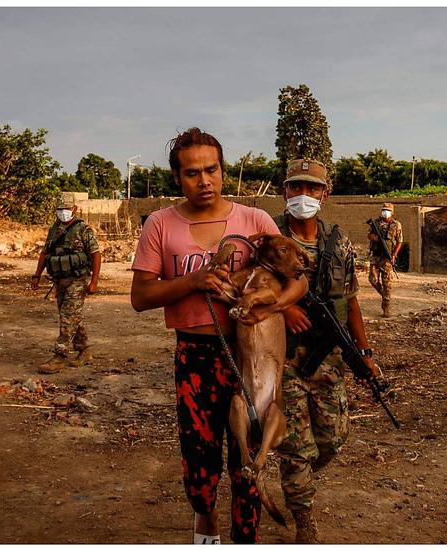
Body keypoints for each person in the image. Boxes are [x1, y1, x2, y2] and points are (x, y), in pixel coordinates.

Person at [129, 128, 307, 544]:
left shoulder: (254, 220)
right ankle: (205, 521)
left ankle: (245, 539)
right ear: (177, 177)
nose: (204, 180)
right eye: (192, 173)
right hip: (196, 357)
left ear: (223, 171)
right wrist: (194, 281)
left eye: (212, 170)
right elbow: (140, 297)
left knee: (247, 462)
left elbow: (298, 279)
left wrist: (274, 305)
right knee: (200, 461)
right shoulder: (160, 224)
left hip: (252, 359)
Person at [273, 159, 379, 543]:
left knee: (333, 439)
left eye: (312, 188)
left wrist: (365, 352)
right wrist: (283, 307)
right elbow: (247, 287)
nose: (304, 195)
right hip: (284, 358)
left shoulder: (339, 242)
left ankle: (295, 477)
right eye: (296, 187)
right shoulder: (270, 236)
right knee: (296, 447)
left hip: (330, 358)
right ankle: (303, 518)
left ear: (325, 193)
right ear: (285, 191)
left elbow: (351, 301)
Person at [30, 194, 101, 374]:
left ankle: (59, 357)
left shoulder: (83, 229)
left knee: (68, 317)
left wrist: (94, 282)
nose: (63, 213)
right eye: (59, 210)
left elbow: (96, 255)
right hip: (60, 281)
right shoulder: (54, 230)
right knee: (71, 316)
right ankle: (84, 350)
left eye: (66, 210)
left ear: (74, 210)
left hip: (77, 281)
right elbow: (44, 254)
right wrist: (37, 275)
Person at [367, 202, 403, 317]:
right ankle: (385, 295)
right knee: (372, 279)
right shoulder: (375, 223)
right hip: (376, 255)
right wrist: (372, 237)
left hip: (387, 257)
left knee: (387, 282)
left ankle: (386, 306)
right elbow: (369, 234)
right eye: (383, 209)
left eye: (387, 210)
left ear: (392, 212)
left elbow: (399, 241)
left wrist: (394, 255)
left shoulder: (396, 225)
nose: (385, 212)